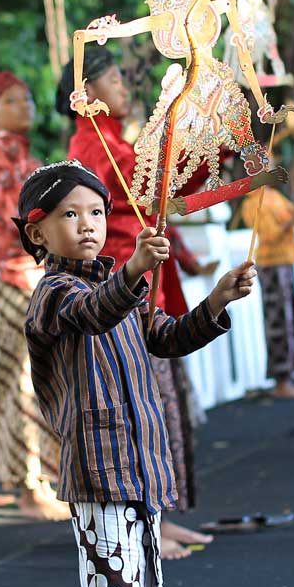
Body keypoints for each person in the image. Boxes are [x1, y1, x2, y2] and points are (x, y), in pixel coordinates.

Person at [17, 160, 256, 587]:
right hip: (99, 468)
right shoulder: (53, 293)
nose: (87, 225)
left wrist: (217, 300)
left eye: (96, 213)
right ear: (37, 233)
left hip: (141, 461)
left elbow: (168, 337)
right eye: (69, 215)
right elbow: (92, 313)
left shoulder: (119, 288)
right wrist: (132, 271)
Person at [59, 47, 212, 559]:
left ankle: (160, 520)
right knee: (139, 412)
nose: (123, 87)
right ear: (87, 93)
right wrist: (205, 142)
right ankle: (149, 525)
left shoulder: (109, 143)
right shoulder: (96, 147)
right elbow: (158, 184)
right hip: (123, 294)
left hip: (142, 290)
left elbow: (160, 189)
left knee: (157, 408)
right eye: (114, 79)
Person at [0, 71, 67, 521]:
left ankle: (43, 479)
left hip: (37, 279)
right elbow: (23, 221)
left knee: (38, 375)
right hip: (10, 278)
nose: (24, 105)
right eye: (11, 100)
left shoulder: (31, 161)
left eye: (26, 98)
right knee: (22, 376)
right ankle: (29, 487)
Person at [243, 182, 294, 399]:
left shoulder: (275, 195)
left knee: (291, 319)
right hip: (271, 264)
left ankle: (288, 377)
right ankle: (281, 380)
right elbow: (270, 235)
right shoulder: (253, 202)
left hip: (286, 261)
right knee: (278, 321)